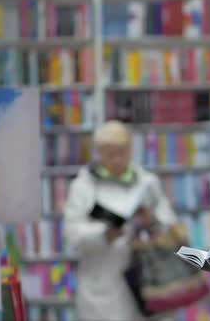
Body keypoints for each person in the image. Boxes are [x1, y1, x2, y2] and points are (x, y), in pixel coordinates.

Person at [63, 120, 183, 321]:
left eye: (123, 152)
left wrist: (151, 221)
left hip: (148, 281)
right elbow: (72, 234)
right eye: (110, 153)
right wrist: (103, 235)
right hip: (101, 287)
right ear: (99, 152)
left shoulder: (147, 182)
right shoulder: (83, 186)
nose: (117, 159)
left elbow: (171, 225)